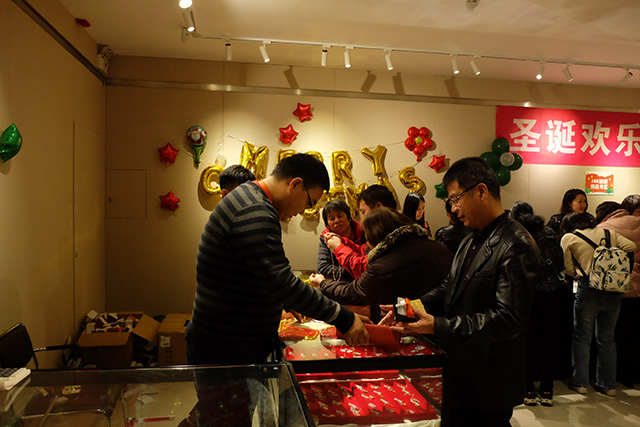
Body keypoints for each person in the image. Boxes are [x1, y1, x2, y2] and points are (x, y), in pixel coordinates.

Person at [380, 157, 539, 427]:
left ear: (481, 191)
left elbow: (508, 319)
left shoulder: (515, 244)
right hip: (461, 371)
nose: (453, 208)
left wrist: (438, 326)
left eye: (456, 198)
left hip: (488, 378)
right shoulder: (471, 238)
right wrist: (412, 306)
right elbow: (450, 286)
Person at [186, 153, 370, 366]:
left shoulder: (250, 197)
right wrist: (344, 318)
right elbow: (281, 281)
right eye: (309, 203)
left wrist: (285, 301)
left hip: (229, 343)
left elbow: (254, 272)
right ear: (295, 184)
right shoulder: (256, 209)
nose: (302, 211)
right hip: (226, 349)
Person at [311, 207, 453, 323]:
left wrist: (322, 283)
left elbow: (353, 292)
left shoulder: (383, 265)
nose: (367, 243)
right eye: (331, 218)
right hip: (444, 318)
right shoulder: (439, 247)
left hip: (422, 327)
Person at [560, 212, 636, 397]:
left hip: (588, 290)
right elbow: (631, 246)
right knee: (607, 338)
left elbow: (568, 269)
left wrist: (580, 271)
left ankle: (580, 383)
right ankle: (608, 385)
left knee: (582, 338)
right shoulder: (608, 233)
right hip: (613, 290)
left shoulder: (569, 237)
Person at [511, 201, 571, 407]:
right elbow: (560, 263)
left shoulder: (517, 234)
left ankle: (528, 388)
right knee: (549, 342)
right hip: (552, 295)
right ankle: (547, 389)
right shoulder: (549, 233)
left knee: (527, 342)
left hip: (527, 296)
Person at [596, 198, 640, 387]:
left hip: (616, 288)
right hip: (638, 289)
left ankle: (617, 375)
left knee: (614, 334)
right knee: (635, 333)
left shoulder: (604, 227)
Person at [324, 184, 397, 279]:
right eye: (331, 218)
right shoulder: (388, 228)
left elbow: (364, 269)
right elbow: (364, 250)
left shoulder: (390, 233)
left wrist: (338, 247)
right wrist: (341, 240)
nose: (336, 221)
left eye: (363, 212)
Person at [316, 198, 365, 282]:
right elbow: (322, 268)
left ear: (349, 218)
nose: (337, 221)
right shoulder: (326, 238)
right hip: (339, 283)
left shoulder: (364, 232)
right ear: (327, 224)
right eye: (332, 218)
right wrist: (355, 271)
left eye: (339, 216)